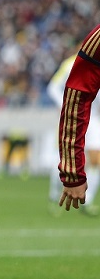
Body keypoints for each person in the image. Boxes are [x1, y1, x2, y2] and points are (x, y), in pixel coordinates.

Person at [48, 52, 100, 216]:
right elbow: (52, 88)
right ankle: (54, 196)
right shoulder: (71, 63)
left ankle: (87, 200)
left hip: (94, 118)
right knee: (64, 156)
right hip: (74, 114)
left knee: (96, 159)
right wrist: (64, 104)